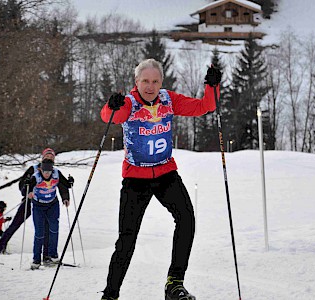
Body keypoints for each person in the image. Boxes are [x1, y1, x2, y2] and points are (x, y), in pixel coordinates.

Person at [99, 58, 221, 300]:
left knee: (186, 219)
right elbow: (111, 117)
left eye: (155, 81)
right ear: (137, 82)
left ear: (161, 82)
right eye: (145, 81)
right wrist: (111, 105)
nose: (150, 86)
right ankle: (110, 294)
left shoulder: (168, 99)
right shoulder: (130, 103)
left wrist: (213, 86)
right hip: (135, 179)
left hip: (166, 174)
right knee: (127, 238)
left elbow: (205, 106)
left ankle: (174, 284)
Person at [0, 148, 55, 260]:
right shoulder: (34, 169)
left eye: (51, 157)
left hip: (45, 204)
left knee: (46, 228)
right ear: (42, 157)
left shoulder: (54, 171)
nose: (49, 158)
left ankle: (47, 256)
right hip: (30, 202)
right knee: (15, 224)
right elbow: (22, 184)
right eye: (47, 156)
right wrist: (26, 192)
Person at [27, 156, 71, 269]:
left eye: (49, 171)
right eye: (45, 171)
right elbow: (27, 188)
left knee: (54, 229)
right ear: (41, 170)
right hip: (38, 206)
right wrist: (28, 191)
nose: (47, 174)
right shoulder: (35, 176)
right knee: (39, 233)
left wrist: (69, 185)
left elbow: (65, 185)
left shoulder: (56, 173)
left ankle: (53, 255)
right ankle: (36, 259)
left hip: (52, 204)